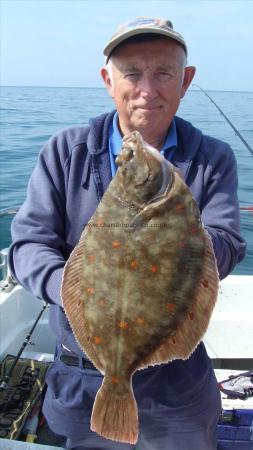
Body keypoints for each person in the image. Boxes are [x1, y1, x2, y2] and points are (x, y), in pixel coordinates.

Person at [9, 17, 246, 450]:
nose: (147, 89)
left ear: (186, 80)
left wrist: (176, 241)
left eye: (163, 73)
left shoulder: (213, 157)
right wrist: (81, 290)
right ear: (108, 79)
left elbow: (228, 242)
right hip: (79, 378)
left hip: (179, 383)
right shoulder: (65, 151)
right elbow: (27, 246)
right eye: (132, 72)